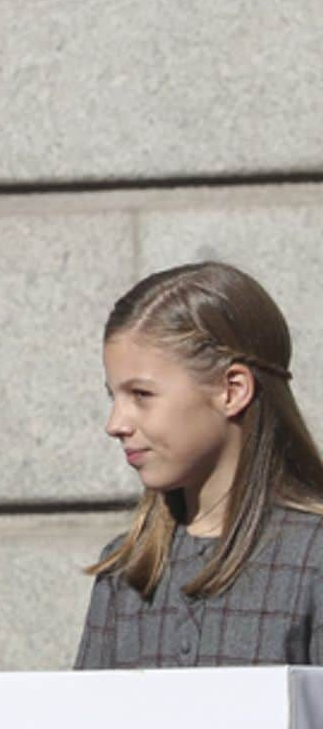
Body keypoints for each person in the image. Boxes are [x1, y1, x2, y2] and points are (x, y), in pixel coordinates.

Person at [76, 262, 323, 668]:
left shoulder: (311, 557)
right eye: (113, 397)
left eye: (141, 394)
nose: (115, 424)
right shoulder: (128, 570)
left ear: (232, 390)